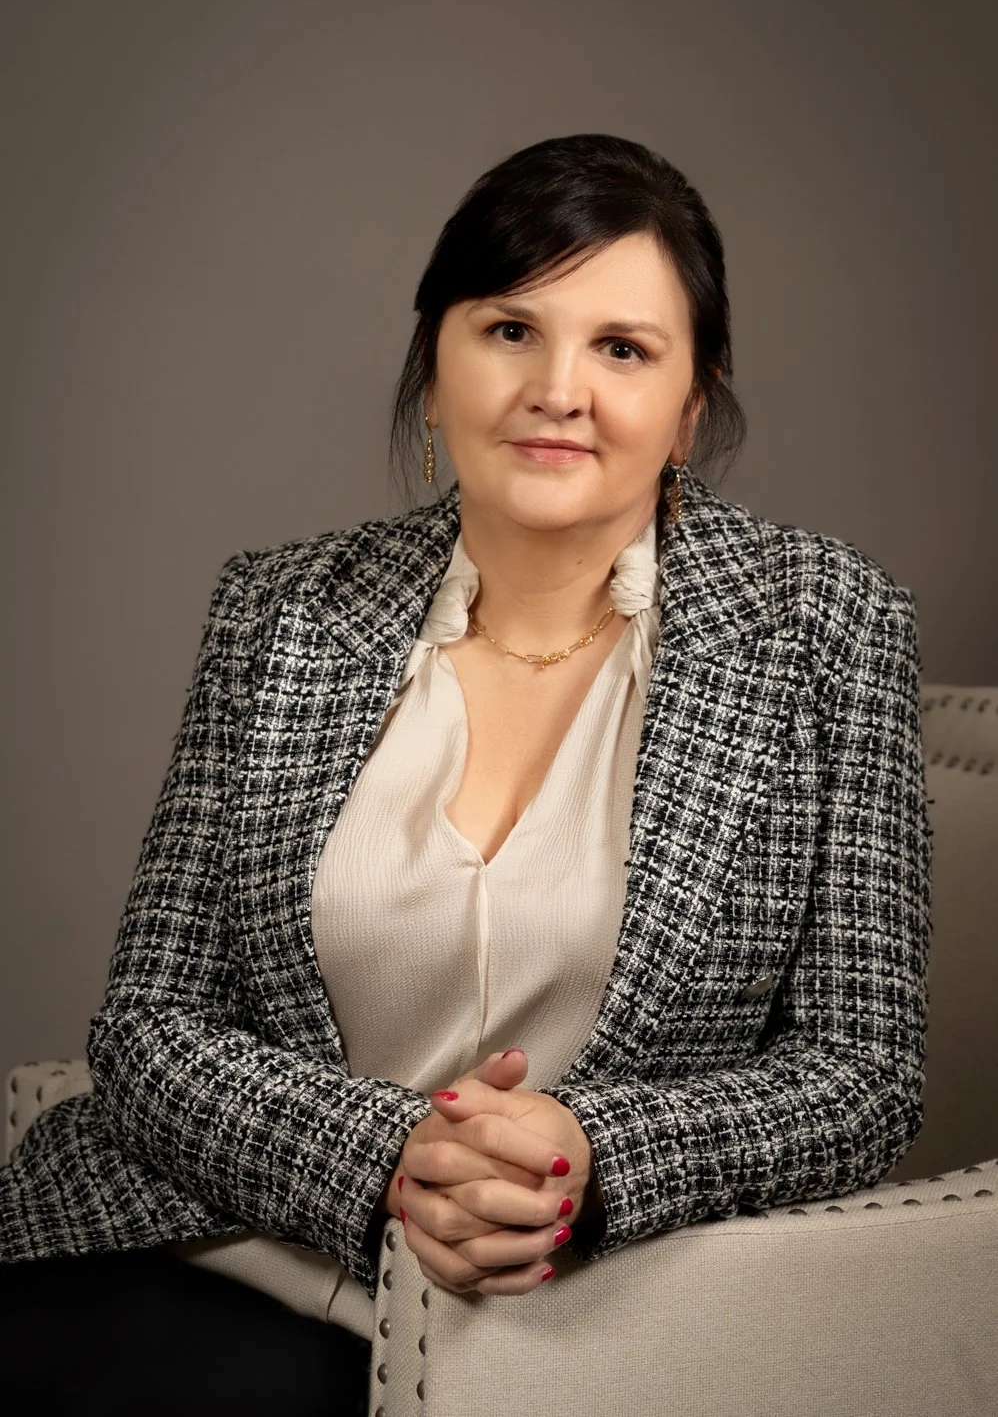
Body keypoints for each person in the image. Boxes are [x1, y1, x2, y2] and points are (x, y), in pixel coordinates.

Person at [0, 133, 932, 1412]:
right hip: (231, 1252)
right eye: (508, 330)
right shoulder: (276, 613)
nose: (558, 388)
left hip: (596, 1308)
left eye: (621, 348)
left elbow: (860, 1072)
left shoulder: (827, 627)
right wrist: (386, 1155)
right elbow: (149, 1025)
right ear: (432, 373)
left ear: (689, 407)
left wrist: (588, 1152)